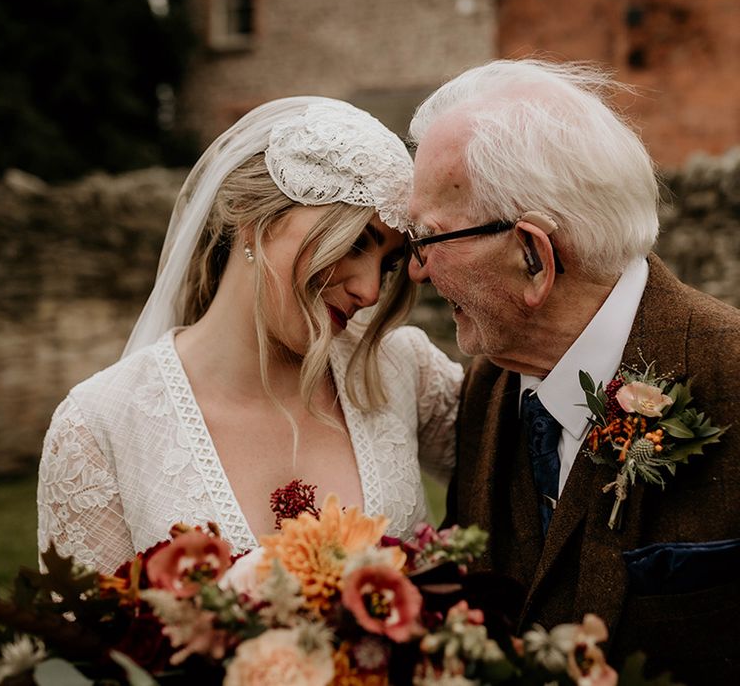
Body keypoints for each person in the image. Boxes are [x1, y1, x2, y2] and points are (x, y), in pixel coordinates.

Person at [406, 59, 740, 683]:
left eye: (429, 237)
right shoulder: (488, 388)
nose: (417, 268)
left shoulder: (733, 374)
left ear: (533, 255)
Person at [37, 97, 463, 575]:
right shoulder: (99, 427)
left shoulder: (401, 370)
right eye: (354, 242)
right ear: (250, 216)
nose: (367, 290)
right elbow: (85, 642)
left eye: (387, 265)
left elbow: (537, 470)